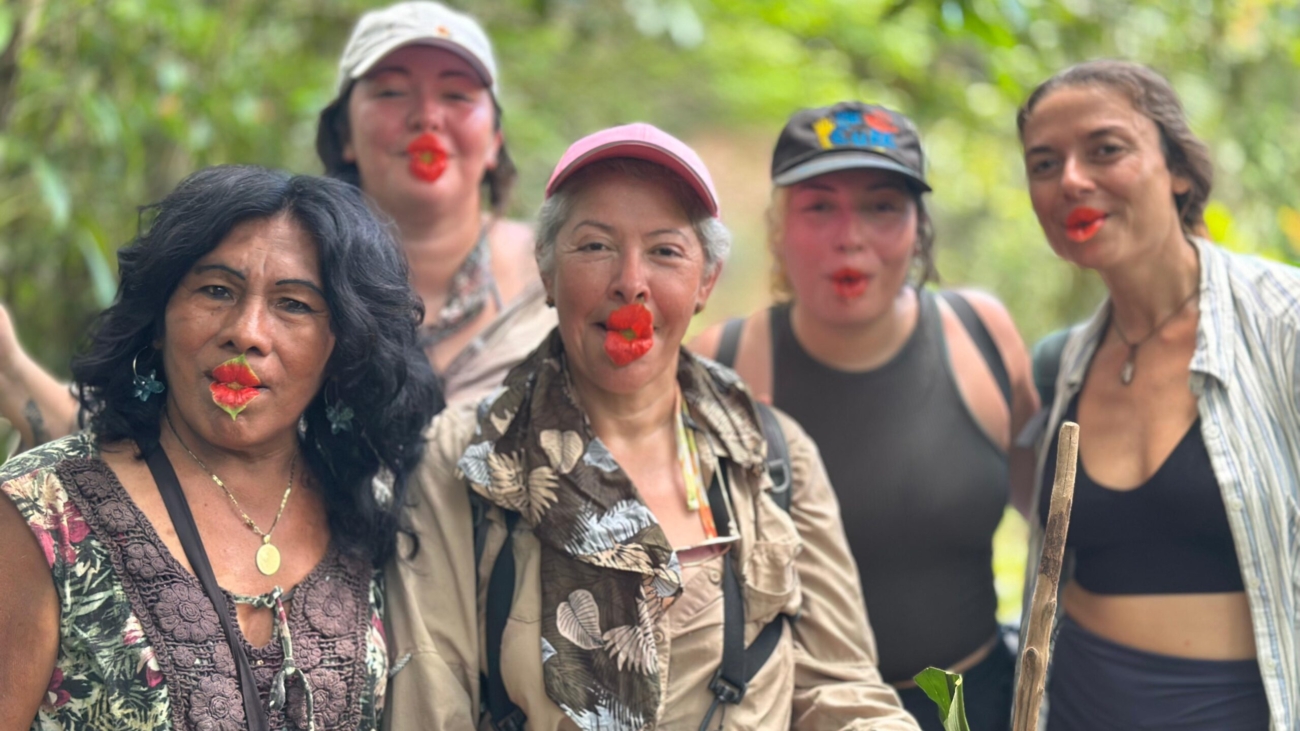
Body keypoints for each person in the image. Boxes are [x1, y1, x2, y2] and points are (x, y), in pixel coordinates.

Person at [383, 123, 921, 731]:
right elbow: (430, 701)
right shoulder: (467, 457)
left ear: (705, 283)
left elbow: (842, 691)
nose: (630, 282)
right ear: (546, 272)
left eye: (665, 251)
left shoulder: (770, 456)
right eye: (594, 246)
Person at [0, 0, 554, 451]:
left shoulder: (562, 282)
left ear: (496, 141)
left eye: (457, 94)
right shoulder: (260, 268)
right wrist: (13, 373)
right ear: (340, 133)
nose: (427, 115)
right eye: (391, 90)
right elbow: (139, 434)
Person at [0, 166, 442, 730]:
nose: (247, 331)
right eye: (217, 291)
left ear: (343, 344)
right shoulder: (42, 510)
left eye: (294, 304)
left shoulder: (365, 504)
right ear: (158, 320)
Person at [690, 102, 1038, 731]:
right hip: (801, 711)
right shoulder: (723, 367)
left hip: (973, 703)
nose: (850, 236)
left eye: (882, 206)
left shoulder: (982, 333)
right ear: (779, 228)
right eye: (819, 206)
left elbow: (1058, 518)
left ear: (919, 228)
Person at [1017, 59, 1297, 729]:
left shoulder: (1283, 323)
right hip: (1078, 703)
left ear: (1178, 169)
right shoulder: (1064, 362)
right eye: (1044, 163)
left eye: (1106, 149)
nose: (1072, 181)